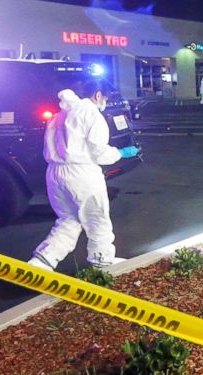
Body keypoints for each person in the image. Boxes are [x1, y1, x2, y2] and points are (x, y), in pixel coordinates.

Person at [28, 78, 139, 271]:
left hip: (55, 173)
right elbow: (98, 151)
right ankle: (102, 262)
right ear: (98, 95)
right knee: (97, 219)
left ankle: (41, 262)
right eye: (105, 97)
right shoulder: (91, 114)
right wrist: (120, 153)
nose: (105, 102)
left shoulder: (58, 116)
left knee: (69, 219)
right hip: (82, 174)